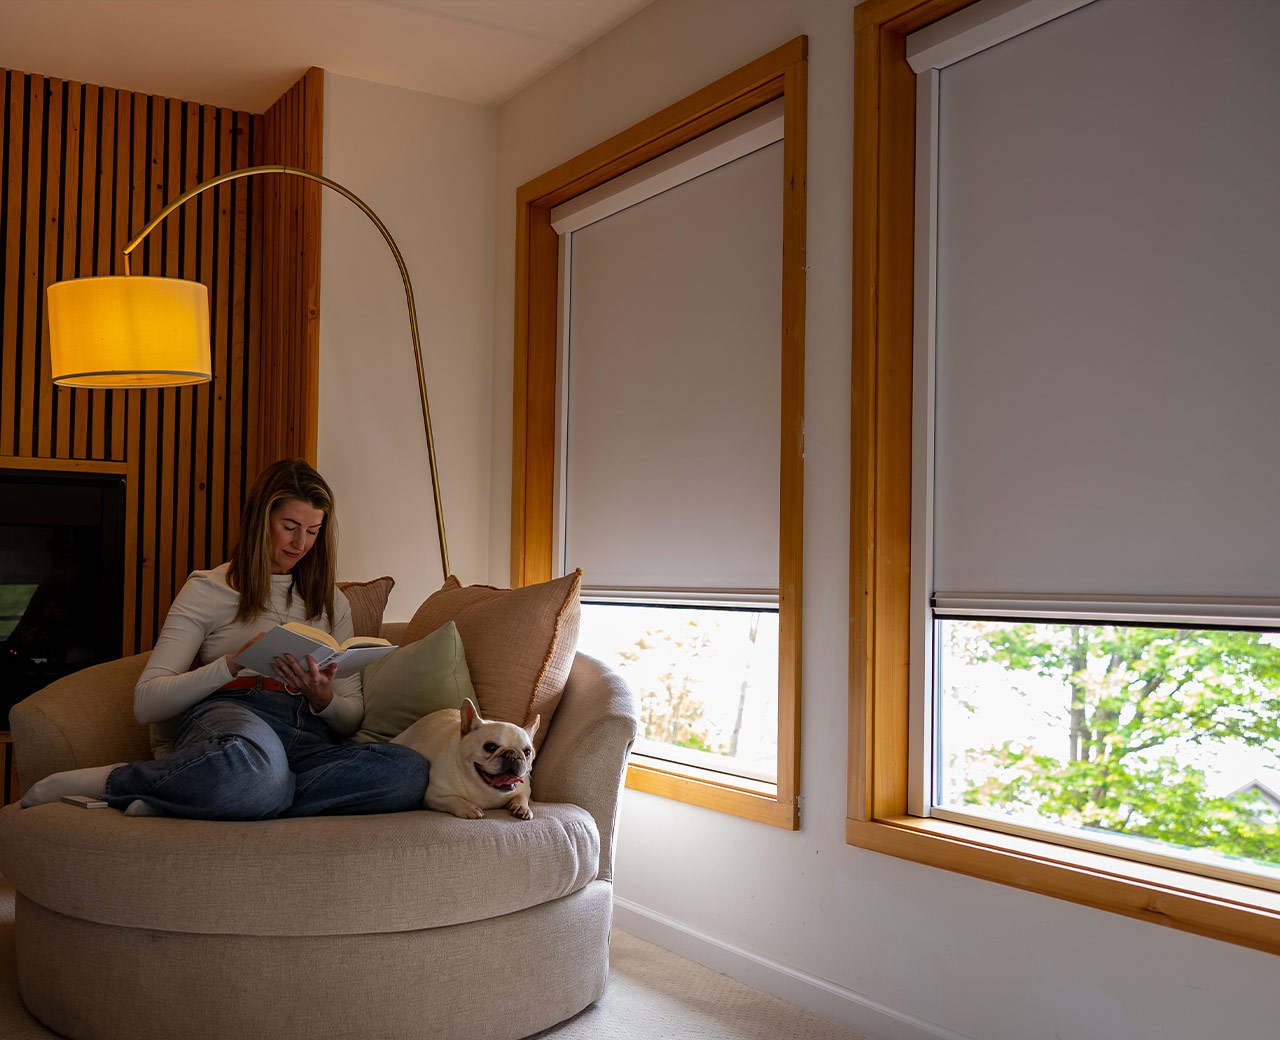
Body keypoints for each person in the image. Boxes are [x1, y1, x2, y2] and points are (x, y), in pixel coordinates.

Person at [20, 458, 429, 819]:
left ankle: (204, 796)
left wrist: (323, 698)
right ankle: (115, 781)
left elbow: (352, 715)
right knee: (255, 770)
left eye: (312, 531)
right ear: (260, 520)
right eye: (289, 527)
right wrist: (232, 663)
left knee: (408, 772)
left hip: (307, 736)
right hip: (234, 716)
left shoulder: (330, 602)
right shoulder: (208, 588)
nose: (300, 543)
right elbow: (147, 702)